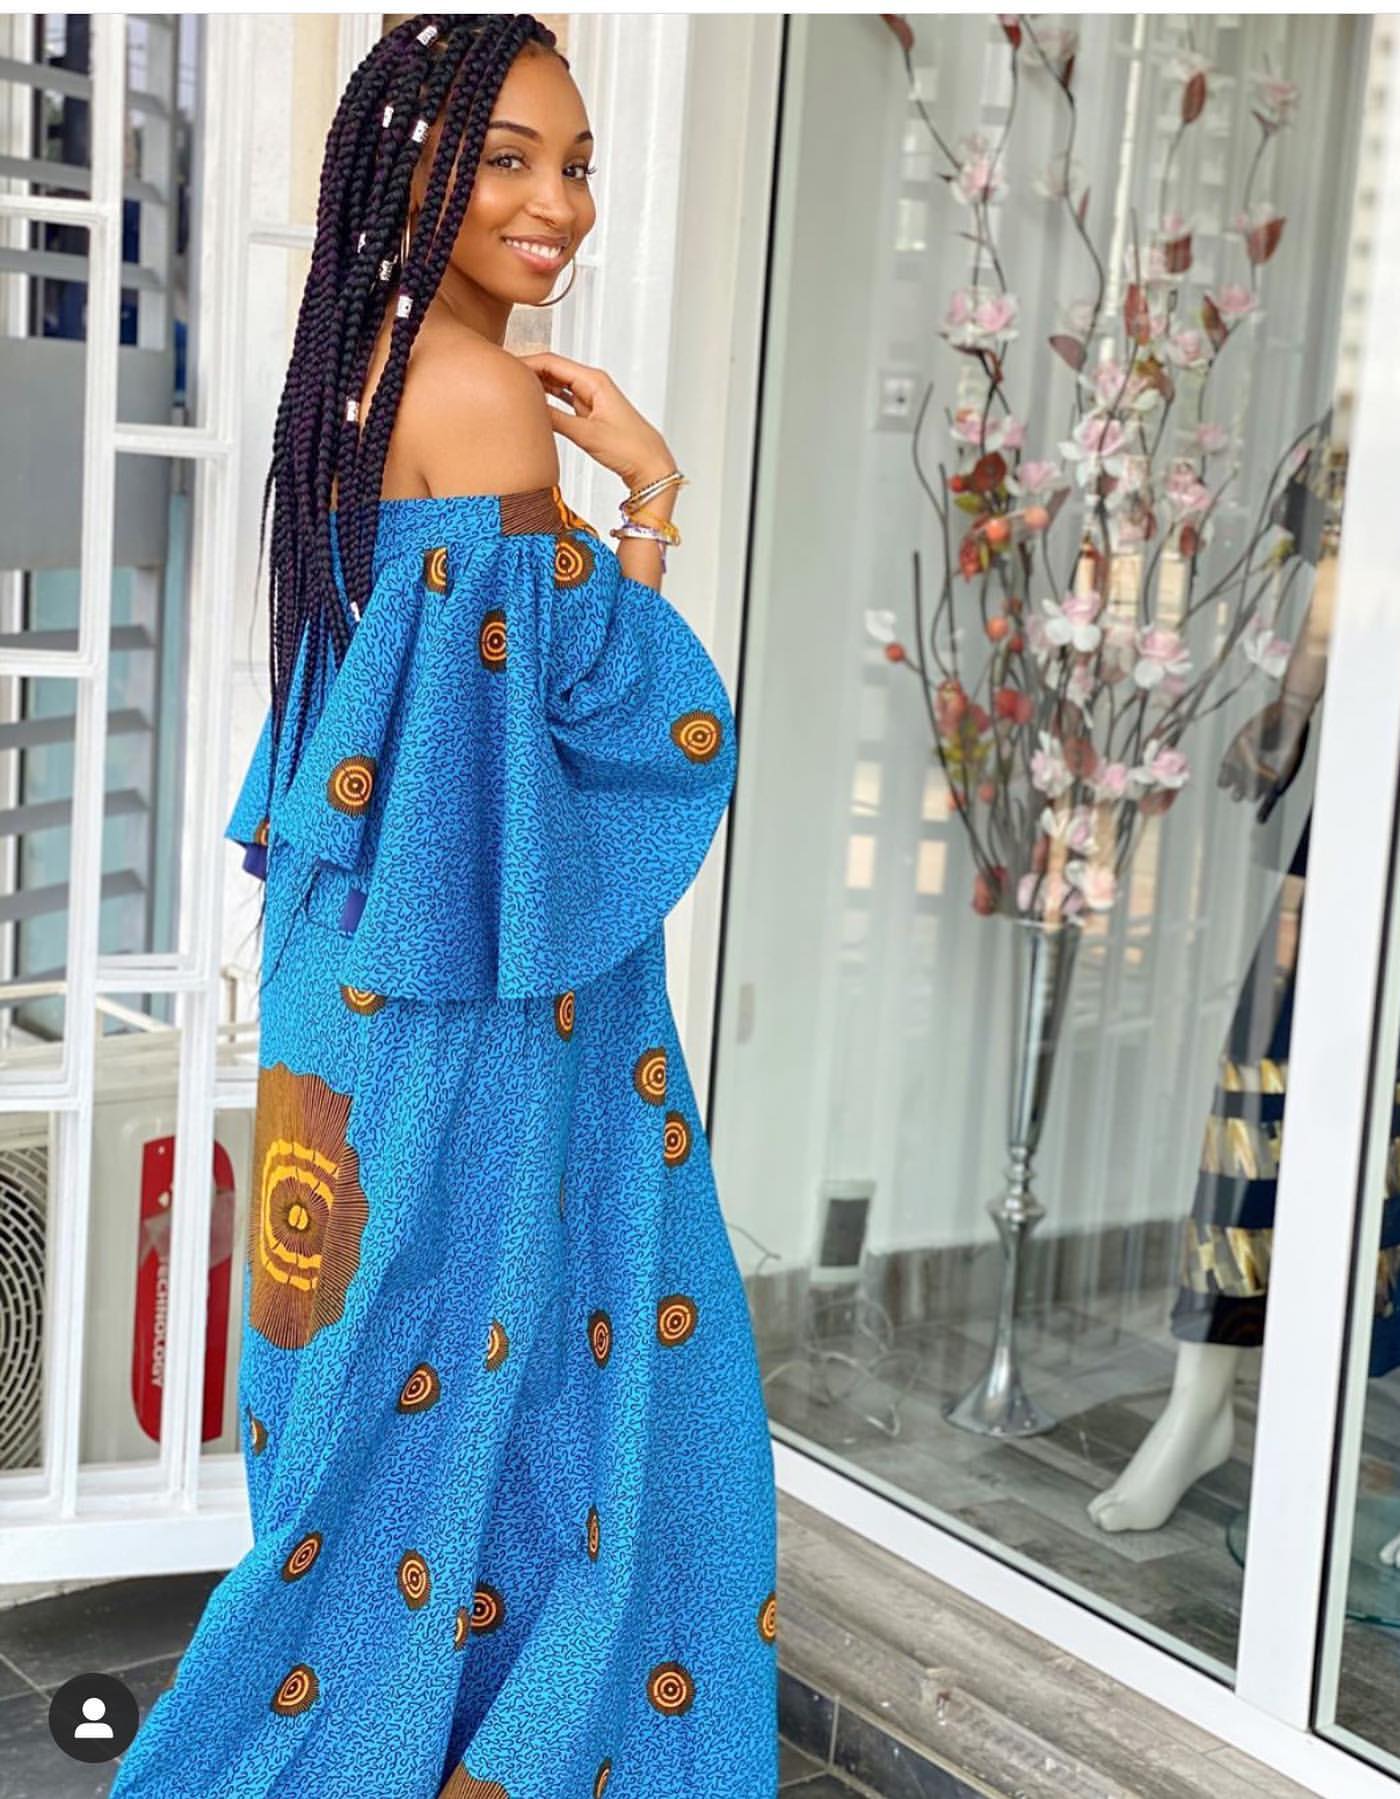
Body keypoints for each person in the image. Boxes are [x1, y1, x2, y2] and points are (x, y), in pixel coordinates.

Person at [111, 16, 777, 1796]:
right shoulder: (477, 394)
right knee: (537, 1378)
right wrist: (652, 495)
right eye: (508, 159)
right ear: (410, 170)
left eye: (579, 166)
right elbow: (603, 716)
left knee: (370, 1377)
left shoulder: (362, 366)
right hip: (480, 972)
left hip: (374, 954)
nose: (559, 205)